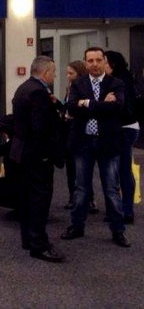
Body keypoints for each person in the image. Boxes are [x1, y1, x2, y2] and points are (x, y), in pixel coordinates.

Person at [60, 46, 131, 247]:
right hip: (83, 143)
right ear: (86, 62)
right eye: (90, 61)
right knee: (81, 188)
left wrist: (87, 103)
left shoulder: (116, 83)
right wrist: (101, 104)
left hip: (108, 143)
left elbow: (118, 107)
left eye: (99, 60)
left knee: (111, 188)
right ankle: (77, 226)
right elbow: (71, 108)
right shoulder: (78, 83)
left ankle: (118, 231)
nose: (95, 64)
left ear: (104, 61)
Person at [8, 56, 65, 263]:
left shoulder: (23, 88)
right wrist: (50, 152)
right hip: (37, 155)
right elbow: (40, 128)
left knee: (27, 199)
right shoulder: (39, 92)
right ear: (46, 72)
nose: (54, 76)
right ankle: (39, 245)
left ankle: (29, 239)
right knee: (40, 200)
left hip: (22, 153)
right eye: (54, 72)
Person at [105, 50, 140, 224]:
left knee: (123, 170)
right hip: (124, 127)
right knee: (119, 170)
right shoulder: (122, 78)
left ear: (112, 64)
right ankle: (120, 209)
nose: (101, 65)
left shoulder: (120, 81)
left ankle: (126, 211)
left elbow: (123, 107)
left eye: (104, 62)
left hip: (125, 128)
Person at [62, 60, 90, 210]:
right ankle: (73, 196)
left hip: (80, 130)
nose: (68, 76)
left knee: (81, 166)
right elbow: (68, 107)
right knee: (71, 166)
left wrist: (75, 112)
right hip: (69, 128)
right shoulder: (69, 88)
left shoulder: (85, 89)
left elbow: (87, 108)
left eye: (71, 73)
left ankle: (88, 198)